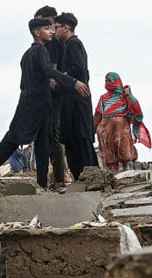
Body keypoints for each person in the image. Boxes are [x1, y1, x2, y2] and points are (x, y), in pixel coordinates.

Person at [0, 18, 90, 189]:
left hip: (41, 105)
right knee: (13, 138)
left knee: (43, 144)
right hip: (32, 105)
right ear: (37, 32)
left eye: (52, 28)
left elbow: (28, 81)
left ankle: (41, 184)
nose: (51, 31)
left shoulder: (27, 55)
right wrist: (73, 82)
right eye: (47, 28)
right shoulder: (39, 51)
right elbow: (49, 71)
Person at [54, 12, 98, 181]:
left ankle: (90, 177)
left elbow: (78, 68)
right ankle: (81, 177)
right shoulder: (69, 45)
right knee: (72, 139)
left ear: (66, 28)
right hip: (72, 99)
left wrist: (61, 78)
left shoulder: (73, 44)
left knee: (80, 138)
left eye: (57, 28)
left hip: (77, 100)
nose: (55, 31)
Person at [35, 5, 67, 191]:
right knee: (48, 136)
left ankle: (58, 179)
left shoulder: (53, 44)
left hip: (53, 96)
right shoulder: (50, 43)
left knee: (54, 136)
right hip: (48, 95)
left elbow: (52, 70)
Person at [94, 72, 148, 172]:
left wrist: (129, 95)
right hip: (106, 126)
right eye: (105, 81)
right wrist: (92, 130)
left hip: (121, 125)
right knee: (103, 132)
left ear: (116, 81)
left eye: (109, 80)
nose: (107, 83)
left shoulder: (124, 96)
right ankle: (112, 167)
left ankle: (127, 163)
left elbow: (136, 109)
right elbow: (98, 114)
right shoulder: (103, 98)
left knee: (120, 129)